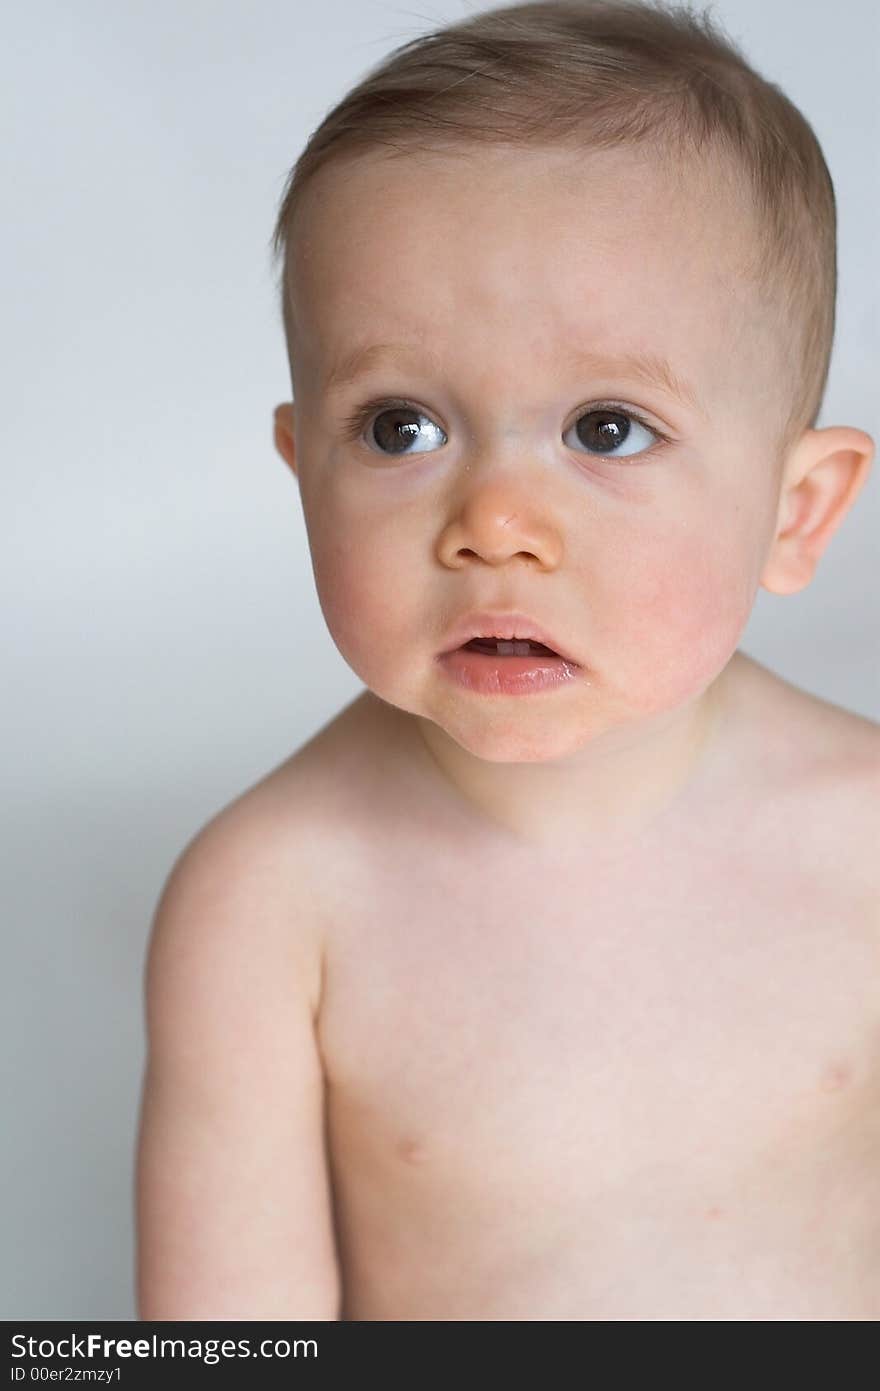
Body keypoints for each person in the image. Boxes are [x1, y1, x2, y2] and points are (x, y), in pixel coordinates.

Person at [135, 0, 879, 1320]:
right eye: (400, 425)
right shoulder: (270, 903)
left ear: (796, 509)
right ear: (302, 473)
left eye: (607, 427)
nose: (495, 526)